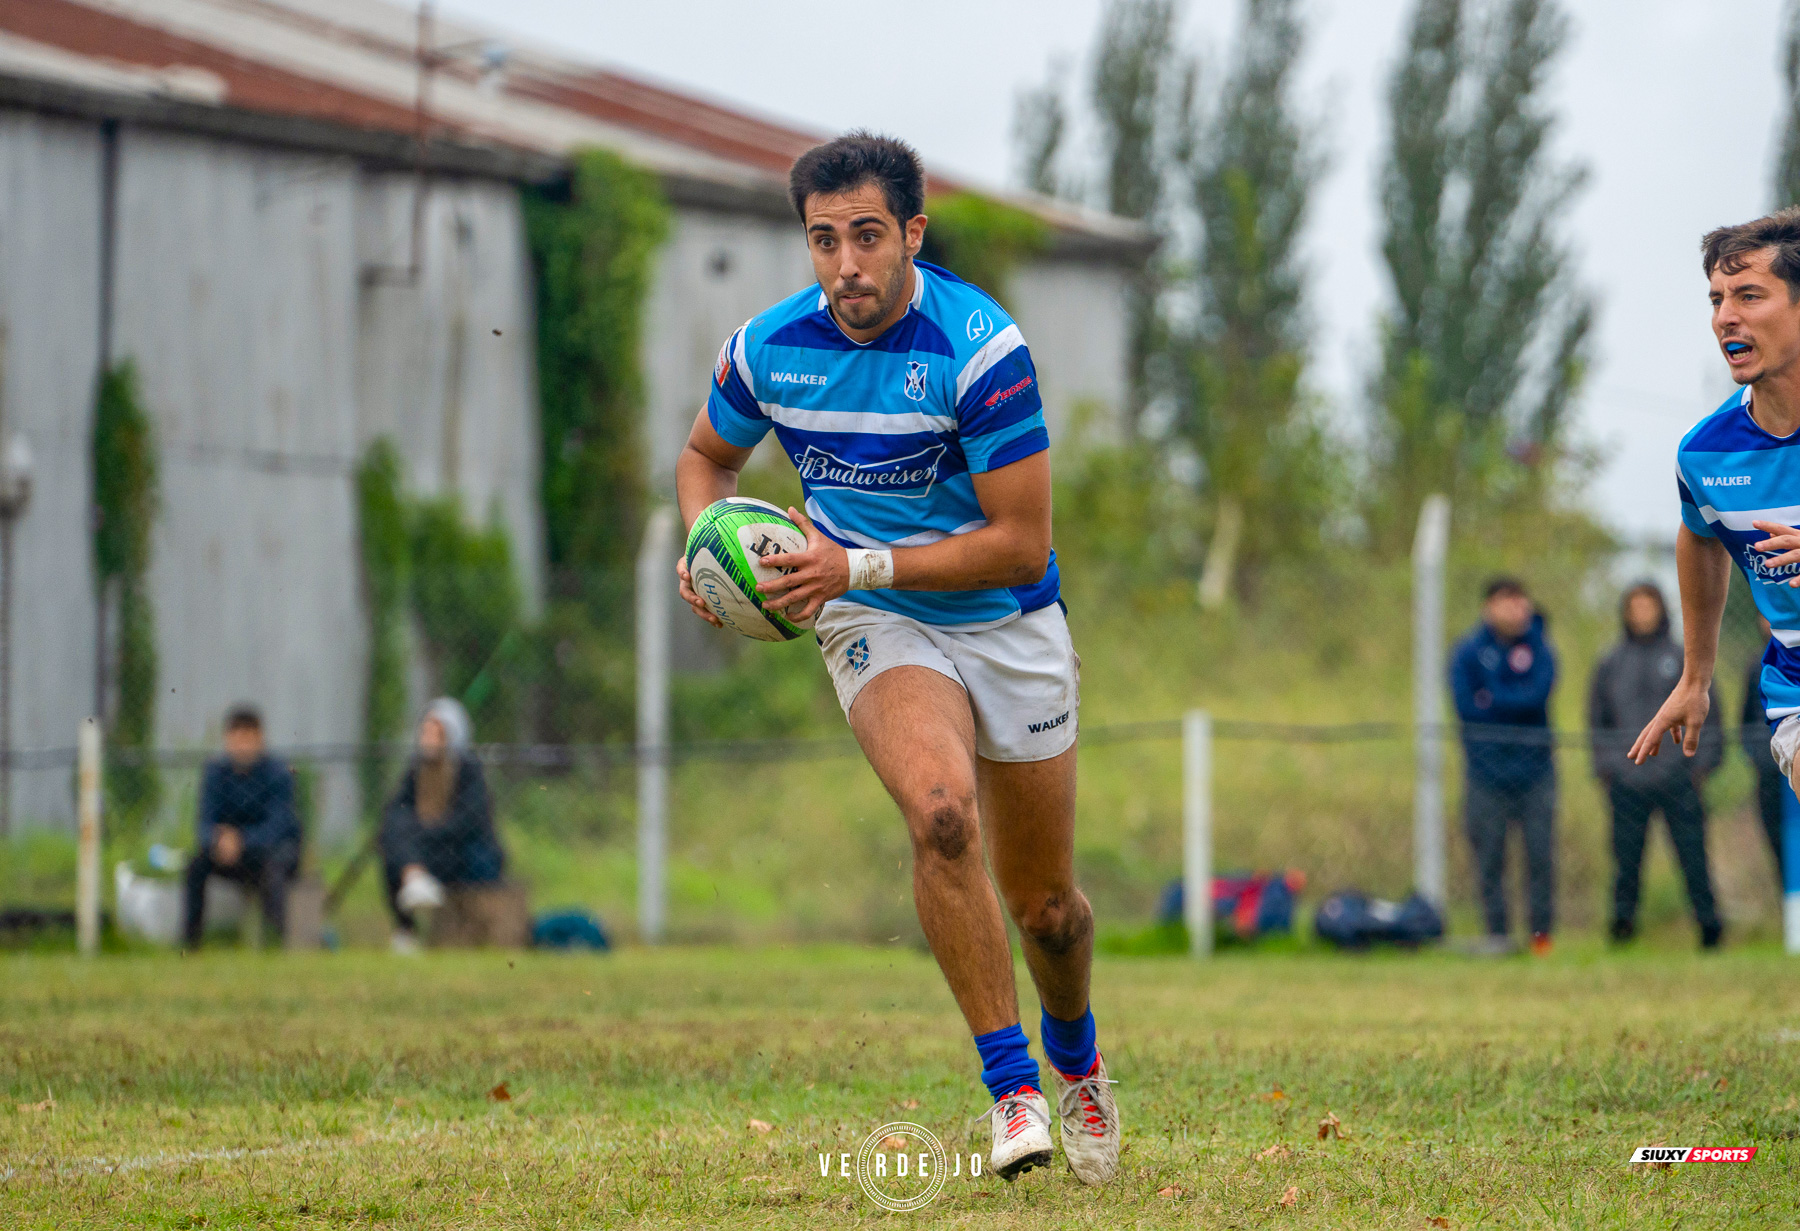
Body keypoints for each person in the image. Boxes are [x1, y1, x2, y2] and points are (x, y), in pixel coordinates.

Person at [672, 133, 1118, 1184]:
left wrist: (854, 563)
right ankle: (1013, 1093)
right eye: (823, 240)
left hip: (1005, 617)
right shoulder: (766, 348)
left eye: (867, 236)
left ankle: (1077, 1057)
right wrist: (704, 547)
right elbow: (704, 457)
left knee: (1049, 908)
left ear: (912, 233)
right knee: (940, 813)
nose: (845, 266)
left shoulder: (981, 349)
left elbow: (1021, 543)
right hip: (873, 617)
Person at [1633, 211, 1800, 888]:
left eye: (1749, 295)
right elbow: (1701, 539)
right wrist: (1696, 676)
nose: (1725, 316)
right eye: (1716, 300)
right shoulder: (1707, 454)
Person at [1589, 582, 1723, 948]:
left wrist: (1700, 767)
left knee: (1694, 858)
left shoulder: (1686, 658)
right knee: (1625, 862)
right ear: (1627, 612)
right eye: (1636, 607)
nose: (1643, 614)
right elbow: (1596, 721)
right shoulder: (1610, 663)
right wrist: (1608, 768)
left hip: (1679, 779)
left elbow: (1711, 716)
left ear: (1661, 610)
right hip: (1627, 780)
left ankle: (1711, 930)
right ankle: (1622, 930)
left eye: (1649, 606)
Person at [1449, 577, 1558, 955]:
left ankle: (1541, 939)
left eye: (1520, 601)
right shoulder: (1467, 652)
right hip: (1485, 773)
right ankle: (1497, 938)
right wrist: (1508, 703)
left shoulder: (1542, 648)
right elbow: (1466, 707)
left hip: (1536, 773)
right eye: (1506, 601)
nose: (1515, 609)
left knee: (1540, 857)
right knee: (1490, 858)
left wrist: (1492, 697)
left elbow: (1536, 696)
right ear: (1488, 608)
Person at [379, 698, 504, 954]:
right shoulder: (417, 769)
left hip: (461, 851)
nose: (429, 738)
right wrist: (413, 833)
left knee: (403, 846)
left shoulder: (468, 770)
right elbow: (396, 809)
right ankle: (408, 923)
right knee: (393, 841)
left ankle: (413, 883)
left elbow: (467, 822)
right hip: (427, 847)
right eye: (426, 731)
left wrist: (421, 834)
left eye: (436, 732)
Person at [183, 704, 300, 948]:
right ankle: (190, 944)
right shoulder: (215, 772)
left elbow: (279, 826)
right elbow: (205, 822)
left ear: (260, 739)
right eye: (237, 739)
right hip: (229, 854)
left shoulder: (278, 772)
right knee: (195, 866)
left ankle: (276, 942)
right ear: (227, 740)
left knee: (274, 868)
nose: (243, 746)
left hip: (267, 852)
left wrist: (242, 840)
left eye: (249, 739)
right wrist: (218, 841)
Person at [1742, 615, 1787, 889]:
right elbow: (1745, 721)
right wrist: (1761, 757)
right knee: (1779, 844)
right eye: (1763, 616)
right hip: (1771, 774)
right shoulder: (1754, 667)